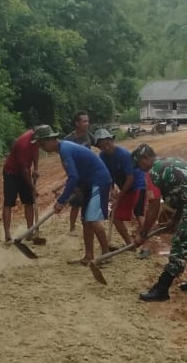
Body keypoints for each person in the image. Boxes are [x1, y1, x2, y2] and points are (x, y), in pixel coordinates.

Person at [130, 144, 187, 302]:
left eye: (139, 165)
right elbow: (184, 191)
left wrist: (143, 233)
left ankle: (161, 289)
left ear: (145, 159)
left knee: (182, 243)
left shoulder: (153, 172)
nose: (140, 169)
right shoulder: (172, 161)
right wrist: (174, 219)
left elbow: (153, 205)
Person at [37, 127, 113, 265]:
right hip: (89, 182)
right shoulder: (64, 148)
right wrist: (77, 188)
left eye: (43, 144)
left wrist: (61, 200)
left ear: (51, 140)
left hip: (98, 181)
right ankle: (88, 256)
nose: (42, 148)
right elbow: (76, 175)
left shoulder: (65, 149)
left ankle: (106, 254)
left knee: (93, 220)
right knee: (85, 220)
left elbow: (72, 176)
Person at [94, 129, 144, 247]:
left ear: (112, 141)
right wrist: (111, 191)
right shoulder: (102, 156)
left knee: (139, 213)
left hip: (138, 185)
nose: (105, 148)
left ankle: (146, 243)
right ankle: (129, 244)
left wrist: (119, 196)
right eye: (101, 146)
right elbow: (107, 176)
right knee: (115, 217)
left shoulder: (123, 154)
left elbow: (130, 178)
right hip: (124, 187)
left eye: (107, 144)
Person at [2, 125, 48, 242]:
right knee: (8, 203)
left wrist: (36, 168)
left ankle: (30, 231)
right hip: (11, 172)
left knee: (29, 202)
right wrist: (33, 188)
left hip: (24, 171)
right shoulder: (23, 144)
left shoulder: (36, 141)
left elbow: (35, 152)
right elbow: (24, 171)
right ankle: (7, 234)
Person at [62, 110, 95, 233]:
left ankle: (87, 225)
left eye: (88, 121)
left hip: (89, 175)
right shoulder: (68, 139)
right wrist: (71, 176)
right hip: (76, 175)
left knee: (88, 202)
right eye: (84, 121)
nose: (87, 123)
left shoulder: (89, 136)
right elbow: (64, 161)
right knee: (76, 203)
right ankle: (72, 228)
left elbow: (100, 144)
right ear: (77, 123)